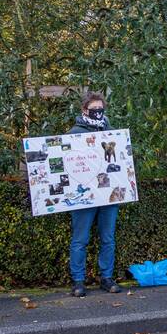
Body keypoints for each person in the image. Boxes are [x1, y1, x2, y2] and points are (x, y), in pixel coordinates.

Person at [66, 91, 121, 297]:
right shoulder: (74, 133)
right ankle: (78, 281)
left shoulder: (112, 134)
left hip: (108, 194)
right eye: (94, 109)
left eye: (101, 109)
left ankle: (106, 277)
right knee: (80, 239)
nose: (98, 113)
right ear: (84, 110)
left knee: (108, 238)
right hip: (85, 195)